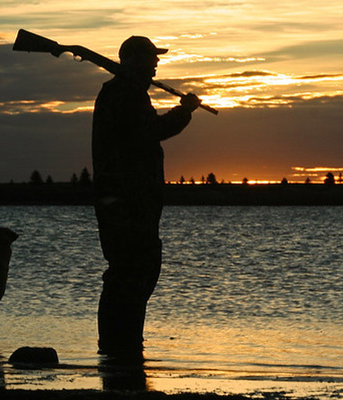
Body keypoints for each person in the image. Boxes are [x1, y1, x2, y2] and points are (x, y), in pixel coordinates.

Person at [91, 35, 201, 360]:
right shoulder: (125, 93)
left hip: (128, 198)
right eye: (152, 58)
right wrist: (184, 111)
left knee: (132, 270)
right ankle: (120, 349)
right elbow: (151, 131)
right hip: (126, 200)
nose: (156, 65)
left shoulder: (126, 91)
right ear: (136, 61)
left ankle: (120, 350)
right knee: (132, 270)